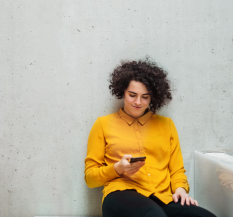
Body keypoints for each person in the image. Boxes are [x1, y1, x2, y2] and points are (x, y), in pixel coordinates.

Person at [84, 58, 216, 217]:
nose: (138, 102)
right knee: (153, 214)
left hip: (163, 197)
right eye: (132, 95)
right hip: (120, 194)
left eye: (145, 97)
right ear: (122, 92)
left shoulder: (166, 125)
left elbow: (177, 171)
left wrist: (180, 189)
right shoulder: (103, 124)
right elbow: (91, 178)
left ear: (153, 97)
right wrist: (118, 168)